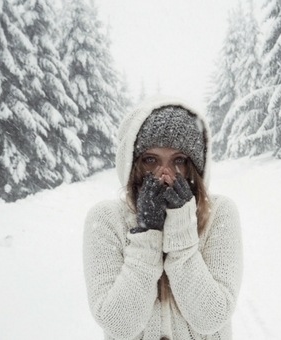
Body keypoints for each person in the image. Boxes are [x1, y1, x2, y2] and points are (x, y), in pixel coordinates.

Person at [83, 95, 243, 339]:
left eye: (179, 160)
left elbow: (212, 318)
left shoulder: (219, 214)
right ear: (132, 164)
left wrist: (182, 230)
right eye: (150, 160)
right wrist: (147, 233)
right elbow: (118, 325)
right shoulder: (106, 220)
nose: (165, 174)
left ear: (195, 168)